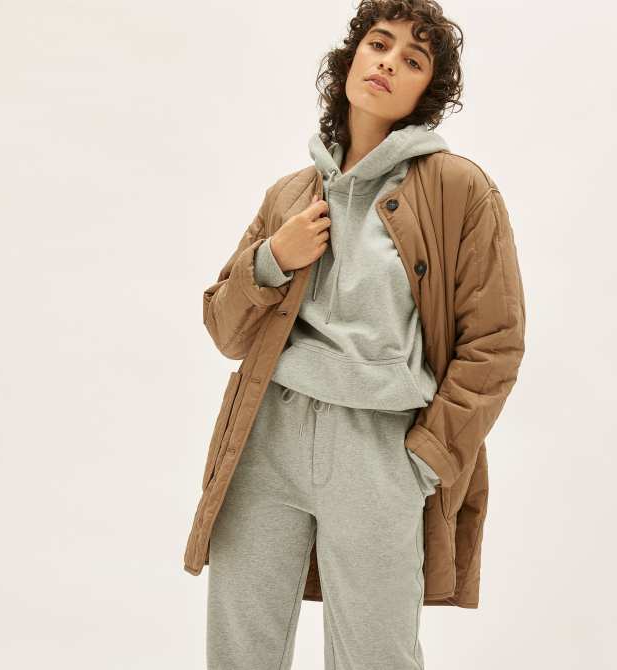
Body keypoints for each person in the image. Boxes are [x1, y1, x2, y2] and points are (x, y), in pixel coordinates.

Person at [194, 1, 525, 668]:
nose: (388, 63)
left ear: (426, 92)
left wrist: (424, 460)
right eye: (379, 44)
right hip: (268, 437)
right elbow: (225, 329)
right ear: (351, 60)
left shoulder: (459, 190)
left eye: (412, 59)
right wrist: (273, 259)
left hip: (380, 449)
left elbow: (495, 343)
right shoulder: (290, 194)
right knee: (239, 653)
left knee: (377, 655)